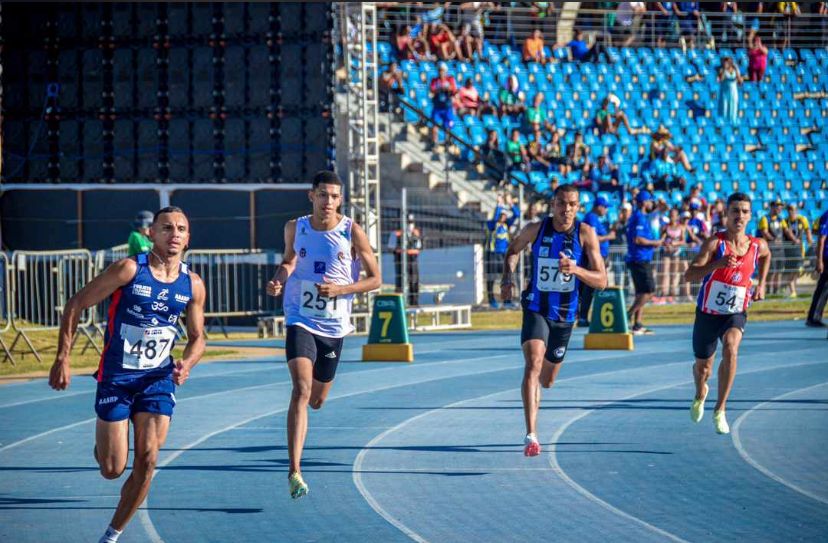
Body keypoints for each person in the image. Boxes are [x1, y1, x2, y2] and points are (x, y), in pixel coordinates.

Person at [49, 207, 207, 543]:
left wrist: (188, 364)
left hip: (157, 380)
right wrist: (62, 358)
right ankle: (107, 441)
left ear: (188, 238)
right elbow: (76, 304)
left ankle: (111, 535)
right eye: (167, 228)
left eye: (181, 229)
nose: (174, 234)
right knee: (112, 469)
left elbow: (198, 337)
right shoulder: (129, 269)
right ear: (152, 233)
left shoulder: (192, 284)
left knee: (148, 460)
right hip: (117, 379)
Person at [266, 171, 381, 499]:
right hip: (300, 318)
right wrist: (279, 278)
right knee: (300, 390)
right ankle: (294, 469)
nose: (327, 201)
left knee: (317, 400)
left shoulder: (351, 231)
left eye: (333, 196)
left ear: (340, 200)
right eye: (322, 195)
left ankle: (296, 461)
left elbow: (375, 279)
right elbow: (289, 261)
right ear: (311, 196)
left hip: (333, 326)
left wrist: (342, 289)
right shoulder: (295, 227)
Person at [500, 184, 607, 456]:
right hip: (536, 307)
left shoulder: (585, 234)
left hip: (565, 316)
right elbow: (513, 250)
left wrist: (576, 269)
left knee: (546, 380)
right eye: (561, 203)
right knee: (533, 362)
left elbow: (602, 281)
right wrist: (507, 277)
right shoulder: (536, 229)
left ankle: (538, 396)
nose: (566, 209)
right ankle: (531, 435)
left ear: (578, 207)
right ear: (553, 204)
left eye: (572, 204)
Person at [684, 192, 770, 434]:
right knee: (703, 368)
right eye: (735, 211)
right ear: (726, 215)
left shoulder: (757, 245)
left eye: (744, 211)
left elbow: (766, 256)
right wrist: (716, 264)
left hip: (736, 311)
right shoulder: (714, 244)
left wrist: (761, 284)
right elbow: (688, 275)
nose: (739, 216)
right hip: (708, 313)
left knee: (731, 347)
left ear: (750, 216)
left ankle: (720, 409)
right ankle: (701, 392)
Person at [626, 190, 666, 334]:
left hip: (639, 258)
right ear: (644, 202)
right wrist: (655, 242)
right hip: (639, 259)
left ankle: (637, 323)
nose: (651, 203)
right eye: (649, 200)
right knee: (649, 291)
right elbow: (638, 239)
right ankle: (627, 315)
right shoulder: (639, 217)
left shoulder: (640, 216)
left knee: (641, 292)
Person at [578, 196, 615, 326]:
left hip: (599, 256)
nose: (606, 210)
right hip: (593, 257)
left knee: (594, 287)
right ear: (599, 206)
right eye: (605, 207)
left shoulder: (595, 218)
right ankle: (583, 317)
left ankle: (589, 316)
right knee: (590, 287)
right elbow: (592, 239)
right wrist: (608, 236)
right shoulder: (592, 218)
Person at [485, 194, 520, 309]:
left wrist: (510, 204)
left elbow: (517, 214)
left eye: (504, 215)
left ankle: (507, 300)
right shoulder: (492, 224)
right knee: (491, 279)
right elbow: (495, 219)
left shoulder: (507, 224)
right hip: (493, 254)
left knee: (507, 278)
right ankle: (491, 300)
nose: (503, 217)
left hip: (504, 255)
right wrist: (499, 204)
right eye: (501, 214)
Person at [388, 214, 423, 306]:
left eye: (411, 223)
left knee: (414, 280)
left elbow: (419, 247)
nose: (409, 225)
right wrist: (401, 249)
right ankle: (400, 303)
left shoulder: (416, 233)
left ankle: (414, 302)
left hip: (412, 259)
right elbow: (391, 247)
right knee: (400, 280)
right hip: (400, 259)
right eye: (408, 222)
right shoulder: (396, 233)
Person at [758, 201, 787, 294]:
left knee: (779, 271)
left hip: (780, 249)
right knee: (771, 271)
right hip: (770, 249)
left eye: (780, 207)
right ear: (772, 207)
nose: (779, 209)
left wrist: (795, 239)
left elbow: (787, 230)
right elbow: (765, 232)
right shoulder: (765, 219)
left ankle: (776, 291)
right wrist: (774, 240)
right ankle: (768, 290)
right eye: (777, 207)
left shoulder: (781, 219)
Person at [783, 204, 811, 298]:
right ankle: (792, 291)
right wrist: (794, 239)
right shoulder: (785, 221)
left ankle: (789, 285)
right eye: (790, 210)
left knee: (798, 269)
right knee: (791, 270)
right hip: (789, 250)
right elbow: (787, 232)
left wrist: (809, 239)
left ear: (797, 211)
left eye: (793, 210)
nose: (792, 212)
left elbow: (807, 230)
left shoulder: (802, 219)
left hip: (799, 249)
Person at [806, 209, 828, 326]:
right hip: (827, 257)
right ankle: (813, 317)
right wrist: (819, 260)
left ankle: (815, 316)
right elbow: (821, 238)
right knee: (823, 289)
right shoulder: (827, 215)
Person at [660, 207, 687, 301]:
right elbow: (662, 239)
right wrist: (666, 244)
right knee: (665, 272)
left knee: (674, 273)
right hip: (667, 252)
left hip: (676, 253)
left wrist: (675, 244)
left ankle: (672, 293)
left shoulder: (681, 227)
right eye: (670, 215)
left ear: (677, 216)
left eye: (674, 215)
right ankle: (664, 293)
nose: (672, 217)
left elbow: (683, 241)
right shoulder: (665, 227)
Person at [429, 62, 458, 150]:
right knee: (435, 124)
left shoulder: (450, 79)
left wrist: (447, 88)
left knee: (448, 125)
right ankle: (435, 142)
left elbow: (453, 89)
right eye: (440, 70)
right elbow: (432, 89)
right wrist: (440, 89)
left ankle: (447, 140)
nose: (441, 72)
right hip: (437, 106)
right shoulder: (435, 80)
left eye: (443, 71)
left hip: (447, 106)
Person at [717, 56, 743, 125]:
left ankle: (733, 124)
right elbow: (721, 80)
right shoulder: (722, 70)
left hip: (733, 92)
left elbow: (740, 81)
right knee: (724, 108)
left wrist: (738, 74)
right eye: (724, 63)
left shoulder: (735, 70)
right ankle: (724, 124)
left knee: (733, 108)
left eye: (727, 62)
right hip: (725, 92)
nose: (725, 64)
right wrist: (724, 71)